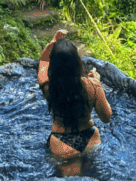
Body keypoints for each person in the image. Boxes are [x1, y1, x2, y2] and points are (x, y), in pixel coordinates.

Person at [38, 29, 111, 173]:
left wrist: (52, 42)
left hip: (61, 144)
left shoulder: (47, 85)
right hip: (90, 140)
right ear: (77, 62)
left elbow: (44, 61)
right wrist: (97, 84)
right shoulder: (92, 85)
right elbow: (106, 117)